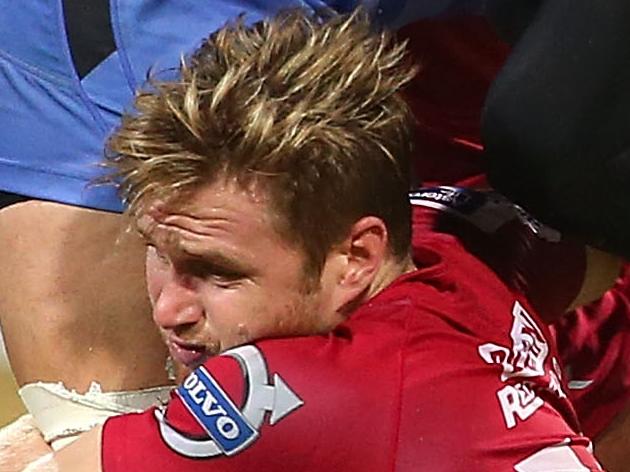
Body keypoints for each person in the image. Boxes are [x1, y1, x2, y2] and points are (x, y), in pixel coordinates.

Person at [9, 10, 608, 471]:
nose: (168, 310)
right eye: (156, 252)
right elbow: (602, 262)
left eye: (219, 273)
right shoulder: (462, 238)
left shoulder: (278, 393)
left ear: (357, 257)